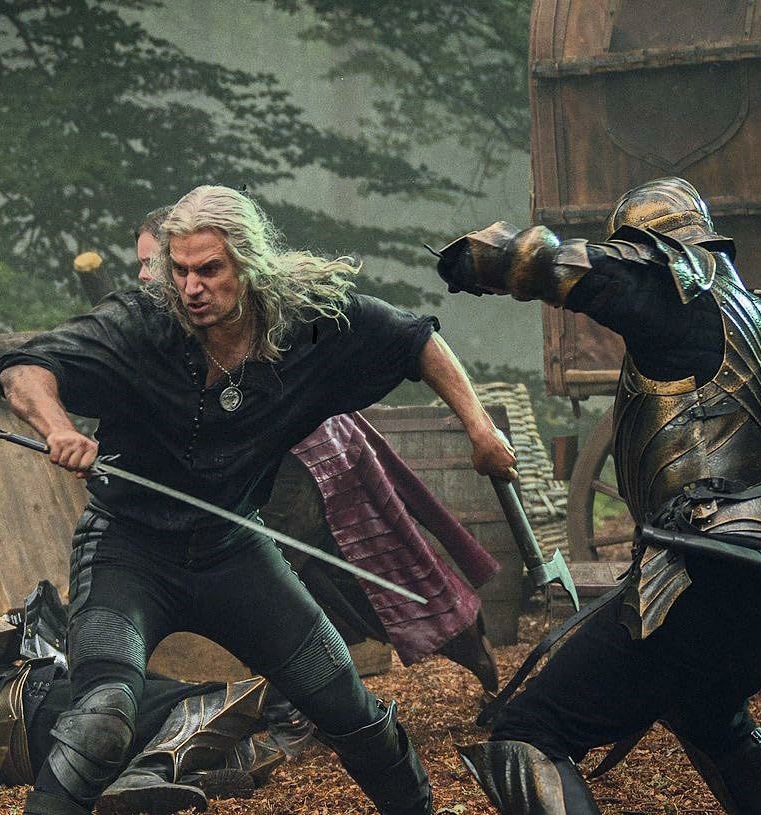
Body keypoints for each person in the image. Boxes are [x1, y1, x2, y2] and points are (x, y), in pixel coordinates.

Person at [0, 184, 517, 815]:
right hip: (127, 549)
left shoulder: (309, 319)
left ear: (249, 265)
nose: (192, 287)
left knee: (347, 705)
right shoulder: (142, 320)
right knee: (102, 717)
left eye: (210, 270)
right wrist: (57, 428)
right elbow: (25, 369)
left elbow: (415, 340)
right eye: (180, 270)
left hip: (234, 550)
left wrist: (480, 429)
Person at [438, 176, 761, 814]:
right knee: (709, 713)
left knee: (527, 736)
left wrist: (488, 258)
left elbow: (572, 266)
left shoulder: (682, 295)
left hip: (708, 574)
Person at [136, 207, 502, 693]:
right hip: (249, 468)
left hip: (309, 459)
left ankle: (294, 705)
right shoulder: (161, 322)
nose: (148, 277)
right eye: (153, 267)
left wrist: (481, 429)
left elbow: (412, 338)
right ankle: (447, 640)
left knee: (275, 571)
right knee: (336, 580)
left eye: (153, 263)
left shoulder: (293, 309)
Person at [0, 581, 307, 815]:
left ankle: (171, 770)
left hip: (42, 756)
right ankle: (151, 771)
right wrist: (22, 625)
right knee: (203, 700)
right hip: (36, 710)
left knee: (218, 742)